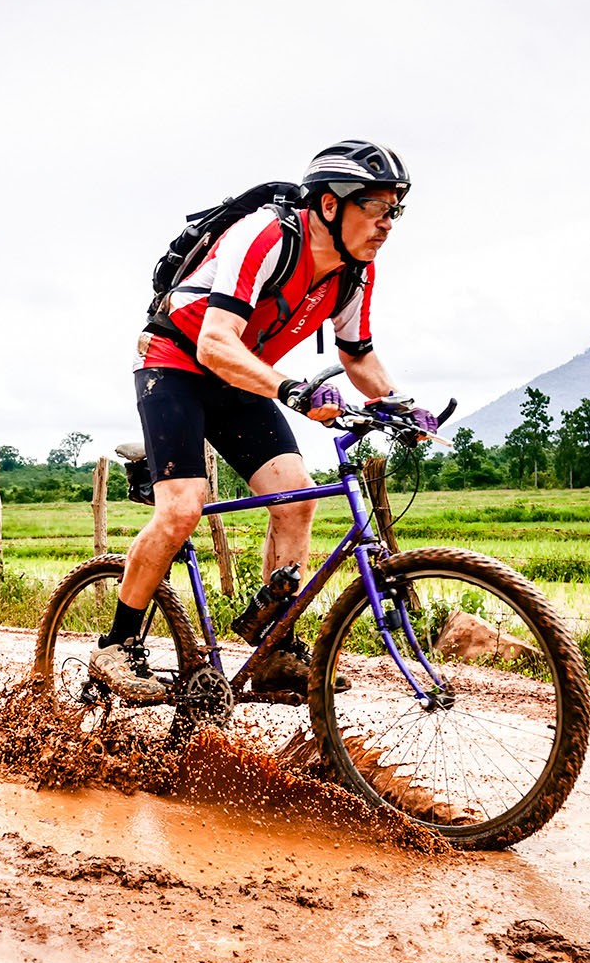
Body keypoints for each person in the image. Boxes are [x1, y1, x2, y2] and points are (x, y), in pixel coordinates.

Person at [92, 139, 419, 702]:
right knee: (183, 507)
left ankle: (274, 650)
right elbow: (217, 341)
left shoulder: (353, 270)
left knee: (298, 496)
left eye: (396, 209)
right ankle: (117, 646)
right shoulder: (265, 237)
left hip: (240, 378)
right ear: (329, 206)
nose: (387, 222)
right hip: (176, 362)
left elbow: (358, 355)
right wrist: (291, 389)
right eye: (376, 206)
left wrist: (403, 406)